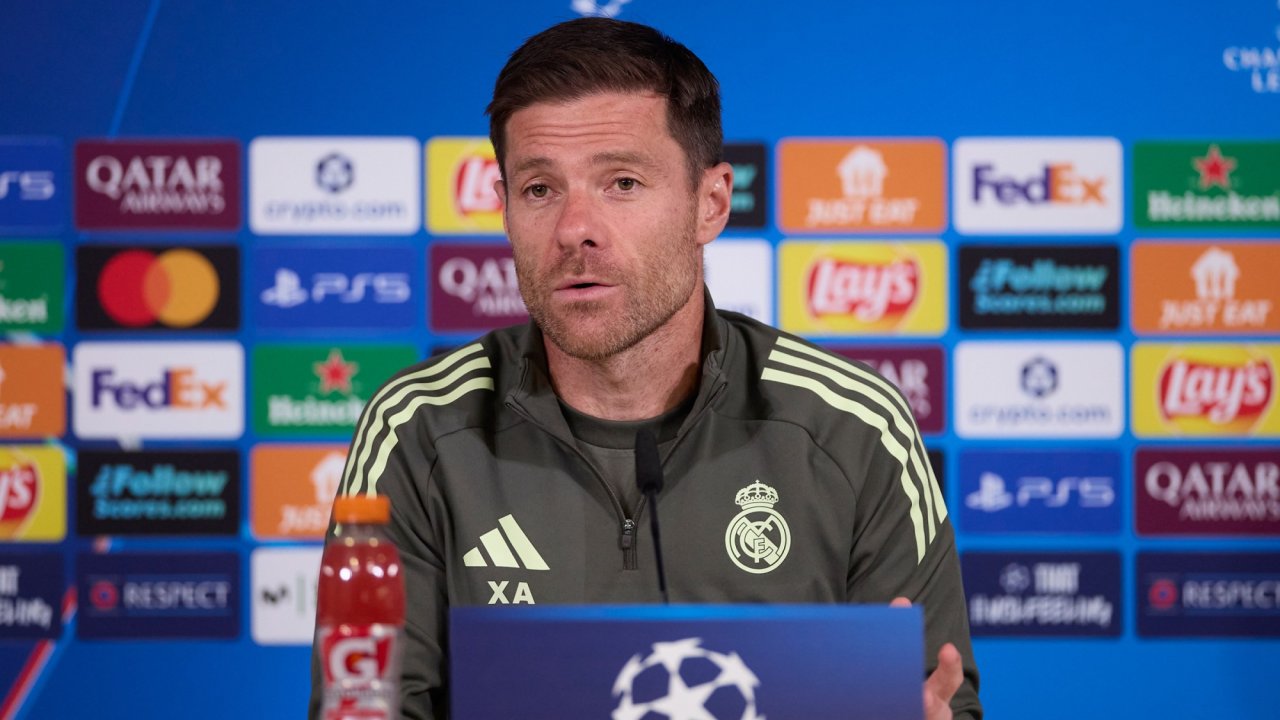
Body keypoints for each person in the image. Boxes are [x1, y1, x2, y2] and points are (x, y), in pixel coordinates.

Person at [311, 17, 981, 720]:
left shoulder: (853, 427)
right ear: (504, 211)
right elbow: (364, 707)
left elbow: (939, 701)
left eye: (622, 182)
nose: (575, 229)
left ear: (710, 204)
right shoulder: (419, 429)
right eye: (539, 189)